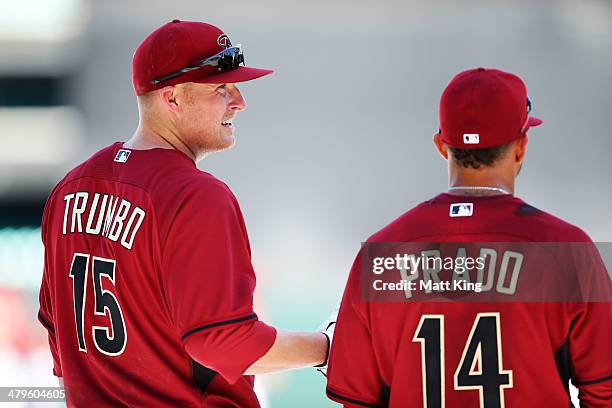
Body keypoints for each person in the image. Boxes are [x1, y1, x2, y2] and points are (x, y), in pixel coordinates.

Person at [37, 20, 328, 407]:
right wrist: (327, 347)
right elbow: (221, 342)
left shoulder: (70, 188)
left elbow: (57, 335)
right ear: (171, 98)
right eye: (221, 88)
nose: (240, 101)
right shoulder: (195, 196)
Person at [325, 68, 612, 407]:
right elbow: (604, 391)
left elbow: (356, 399)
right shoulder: (568, 250)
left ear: (441, 146)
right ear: (521, 146)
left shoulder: (379, 254)